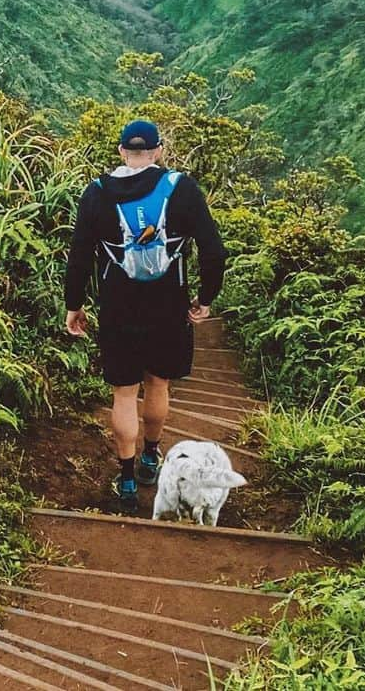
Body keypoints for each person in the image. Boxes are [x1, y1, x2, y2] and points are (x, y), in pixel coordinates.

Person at [64, 119, 225, 511]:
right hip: (168, 307)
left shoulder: (97, 193)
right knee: (158, 385)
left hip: (119, 308)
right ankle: (152, 456)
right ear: (157, 151)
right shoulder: (181, 188)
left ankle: (127, 480)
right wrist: (205, 298)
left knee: (123, 394)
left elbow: (80, 256)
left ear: (122, 151)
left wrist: (74, 305)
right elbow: (213, 249)